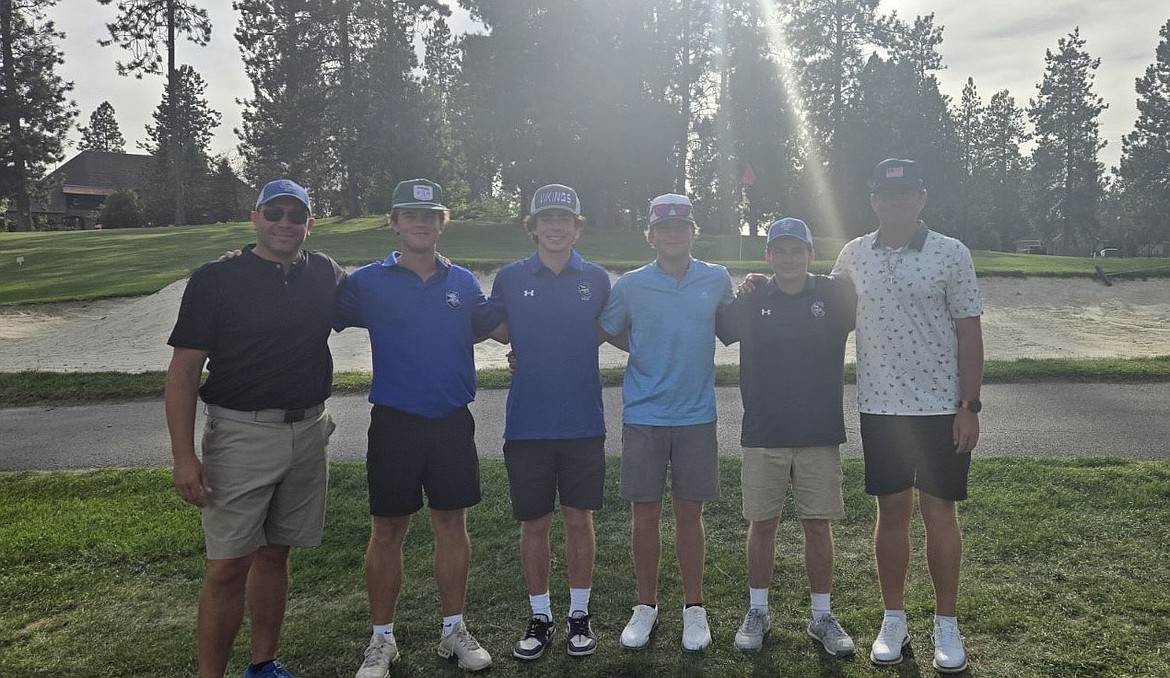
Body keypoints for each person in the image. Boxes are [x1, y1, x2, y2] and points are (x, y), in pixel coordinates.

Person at [165, 179, 345, 678]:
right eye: (275, 213)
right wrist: (183, 456)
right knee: (226, 567)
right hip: (240, 436)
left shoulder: (325, 272)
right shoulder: (216, 280)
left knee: (275, 553)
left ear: (310, 222)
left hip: (309, 431)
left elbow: (383, 297)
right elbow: (183, 373)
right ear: (255, 217)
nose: (284, 223)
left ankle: (263, 663)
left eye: (295, 215)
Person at [336, 179, 502, 676]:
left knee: (452, 524)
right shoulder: (366, 282)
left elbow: (498, 326)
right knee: (387, 529)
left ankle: (454, 630)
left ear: (441, 223)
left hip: (451, 420)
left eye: (430, 216)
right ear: (394, 222)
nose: (420, 223)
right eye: (410, 215)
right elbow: (316, 313)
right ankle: (381, 640)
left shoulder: (464, 283)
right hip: (394, 422)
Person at [831, 158, 984, 673]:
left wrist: (969, 406)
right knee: (891, 512)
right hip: (881, 407)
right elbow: (823, 310)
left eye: (906, 194)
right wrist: (760, 286)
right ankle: (892, 617)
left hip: (942, 409)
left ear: (921, 199)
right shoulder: (853, 255)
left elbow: (969, 333)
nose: (895, 203)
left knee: (940, 513)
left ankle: (946, 622)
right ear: (874, 201)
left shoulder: (951, 254)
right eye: (885, 196)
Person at [597, 193, 735, 653]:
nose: (673, 233)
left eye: (682, 225)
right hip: (644, 413)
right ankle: (646, 606)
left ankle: (694, 608)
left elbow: (732, 325)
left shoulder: (715, 279)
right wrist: (641, 352)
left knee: (689, 514)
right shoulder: (631, 285)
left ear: (692, 231)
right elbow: (609, 328)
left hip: (696, 414)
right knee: (645, 512)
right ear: (651, 234)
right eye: (664, 226)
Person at [720, 217, 858, 656]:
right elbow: (722, 328)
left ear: (811, 254)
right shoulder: (753, 295)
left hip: (819, 431)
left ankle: (821, 616)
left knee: (817, 525)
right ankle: (758, 610)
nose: (788, 257)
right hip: (764, 431)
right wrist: (744, 287)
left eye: (796, 249)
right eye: (779, 250)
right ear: (768, 256)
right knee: (763, 524)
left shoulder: (833, 295)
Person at [488, 183, 611, 660]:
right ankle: (540, 615)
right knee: (534, 524)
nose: (555, 227)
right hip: (528, 425)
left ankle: (579, 612)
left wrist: (573, 344)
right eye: (547, 219)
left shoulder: (597, 278)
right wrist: (521, 347)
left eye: (565, 219)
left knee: (580, 519)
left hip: (582, 421)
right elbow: (492, 323)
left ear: (576, 226)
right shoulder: (511, 276)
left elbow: (610, 325)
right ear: (533, 226)